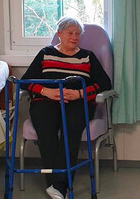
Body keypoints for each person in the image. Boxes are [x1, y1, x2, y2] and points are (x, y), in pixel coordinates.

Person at [21, 16, 111, 199]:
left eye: (78, 33)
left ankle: (58, 186)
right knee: (46, 131)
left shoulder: (87, 56)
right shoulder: (46, 53)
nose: (75, 37)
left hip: (78, 102)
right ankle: (58, 185)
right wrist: (45, 91)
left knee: (72, 130)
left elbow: (105, 83)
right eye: (70, 33)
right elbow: (25, 81)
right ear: (59, 34)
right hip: (45, 101)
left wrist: (80, 94)